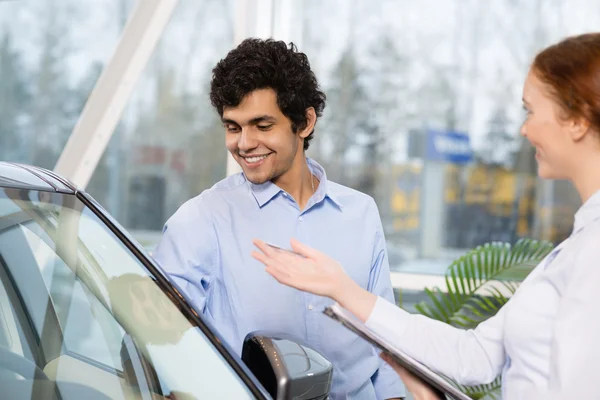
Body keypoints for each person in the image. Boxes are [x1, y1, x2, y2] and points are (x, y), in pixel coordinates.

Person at [251, 32, 600, 400]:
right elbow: (476, 356)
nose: (523, 129)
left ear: (576, 120)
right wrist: (343, 289)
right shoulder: (582, 242)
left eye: (530, 111)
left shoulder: (593, 254)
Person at [152, 38, 406, 399]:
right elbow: (161, 343)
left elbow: (384, 340)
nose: (244, 143)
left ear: (304, 122)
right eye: (233, 127)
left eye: (262, 125)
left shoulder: (360, 213)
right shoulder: (201, 219)